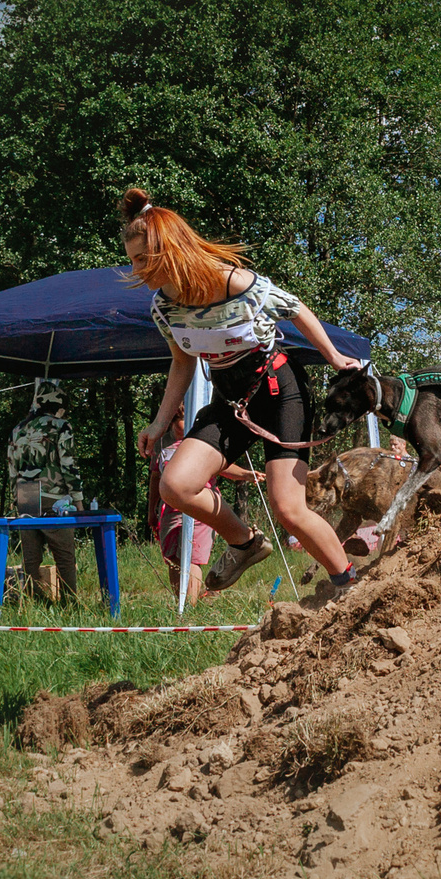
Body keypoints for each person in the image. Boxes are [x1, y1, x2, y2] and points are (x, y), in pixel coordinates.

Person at [122, 187, 364, 598]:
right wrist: (160, 422)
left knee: (288, 508)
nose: (136, 271)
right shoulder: (163, 307)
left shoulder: (236, 282)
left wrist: (335, 357)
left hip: (279, 391)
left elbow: (296, 309)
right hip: (230, 401)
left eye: (143, 259)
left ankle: (348, 584)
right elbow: (182, 361)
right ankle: (246, 543)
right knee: (175, 485)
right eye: (132, 260)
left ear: (171, 249)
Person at [148, 410, 256, 605]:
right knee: (173, 557)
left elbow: (224, 467)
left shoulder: (202, 442)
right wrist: (151, 511)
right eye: (179, 419)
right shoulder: (163, 445)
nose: (183, 423)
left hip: (199, 506)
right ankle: (180, 603)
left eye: (185, 418)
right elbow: (155, 478)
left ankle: (190, 606)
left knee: (192, 556)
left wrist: (245, 474)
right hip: (170, 510)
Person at [6, 379, 85, 601]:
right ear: (58, 405)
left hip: (26, 495)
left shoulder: (18, 429)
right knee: (64, 556)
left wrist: (15, 496)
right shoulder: (61, 426)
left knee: (30, 558)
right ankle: (70, 603)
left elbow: (12, 468)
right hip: (54, 496)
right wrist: (78, 500)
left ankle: (34, 602)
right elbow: (68, 465)